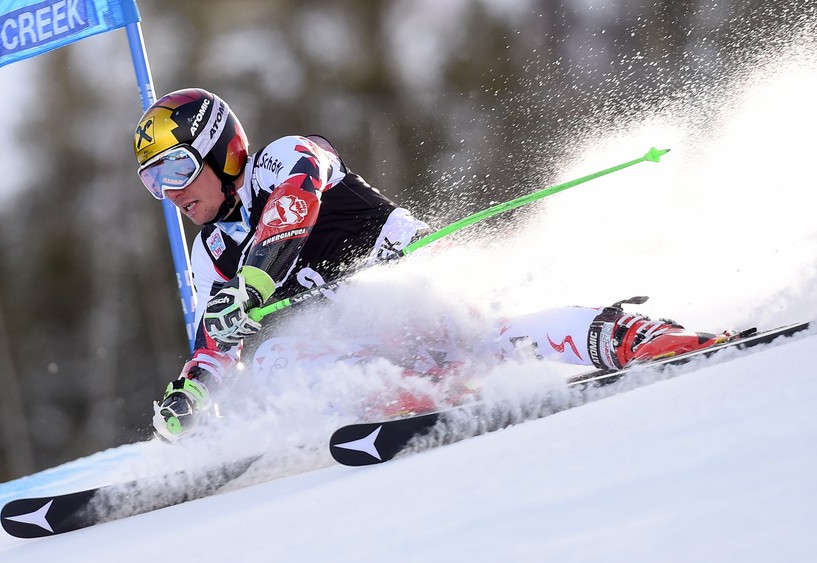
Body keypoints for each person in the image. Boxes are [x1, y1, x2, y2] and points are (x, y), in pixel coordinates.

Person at [134, 88, 735, 442]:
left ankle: (633, 337)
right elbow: (217, 344)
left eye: (177, 170)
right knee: (272, 359)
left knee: (484, 336)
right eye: (152, 182)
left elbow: (292, 213)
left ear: (222, 152)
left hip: (422, 284)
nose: (171, 193)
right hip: (370, 346)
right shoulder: (210, 251)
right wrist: (190, 394)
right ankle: (404, 401)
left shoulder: (285, 158)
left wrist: (252, 287)